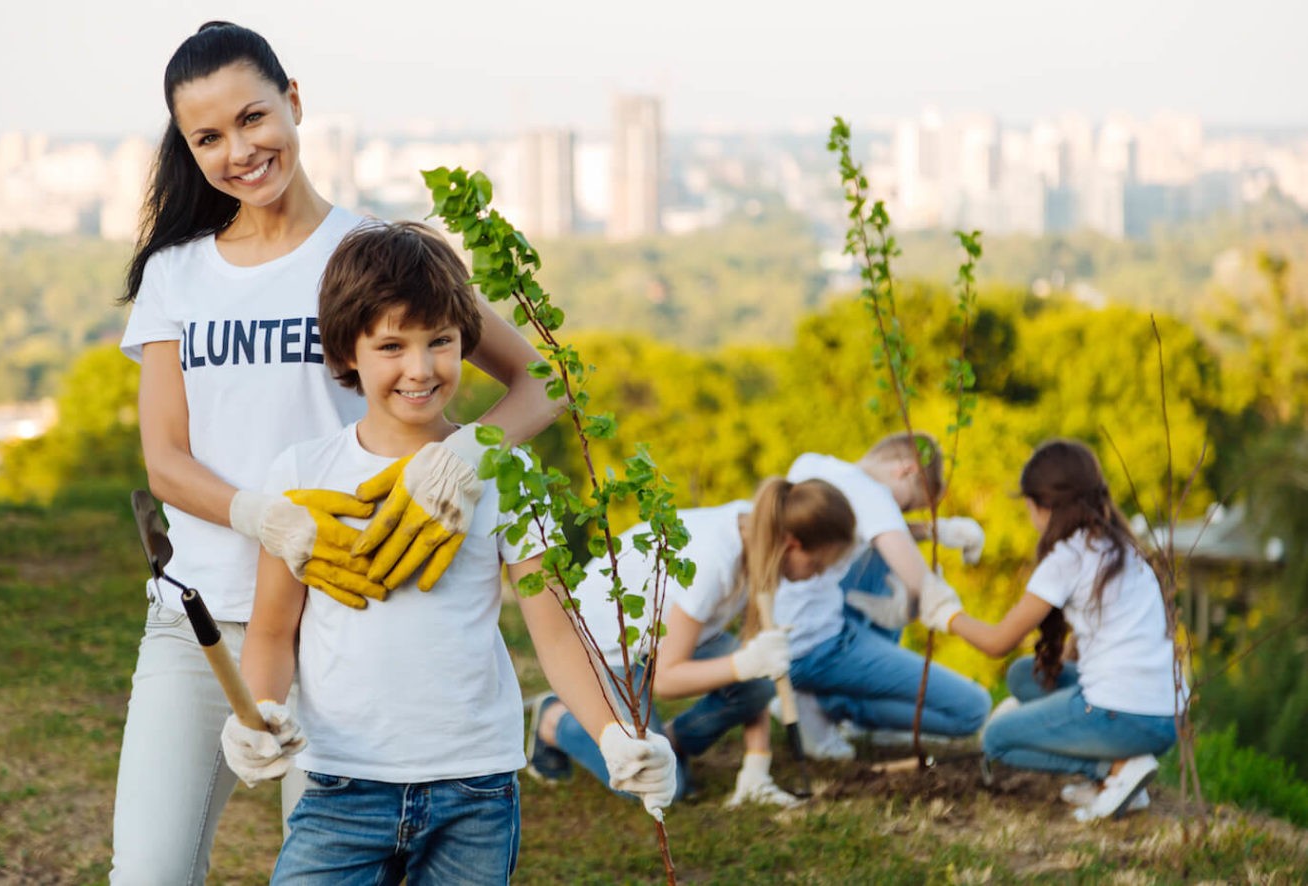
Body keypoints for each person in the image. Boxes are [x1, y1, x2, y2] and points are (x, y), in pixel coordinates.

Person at [113, 23, 559, 884]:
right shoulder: (176, 271)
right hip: (199, 623)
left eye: (253, 117)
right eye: (209, 138)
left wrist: (466, 456)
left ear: (295, 102)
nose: (240, 151)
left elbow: (544, 380)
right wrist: (262, 516)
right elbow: (164, 459)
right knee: (148, 873)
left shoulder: (371, 254)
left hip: (344, 621)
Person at [220, 220, 675, 882]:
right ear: (347, 352)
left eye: (441, 341)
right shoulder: (302, 472)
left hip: (475, 792)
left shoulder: (505, 476)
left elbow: (555, 635)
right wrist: (258, 712)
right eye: (391, 346)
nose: (421, 368)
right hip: (343, 786)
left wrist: (615, 734)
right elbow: (271, 632)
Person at [527, 477, 857, 806]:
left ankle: (667, 745)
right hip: (610, 647)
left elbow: (757, 660)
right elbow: (667, 681)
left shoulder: (762, 532)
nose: (817, 575)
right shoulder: (714, 561)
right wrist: (744, 664)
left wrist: (757, 766)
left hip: (665, 638)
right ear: (792, 543)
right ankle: (555, 721)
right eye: (816, 564)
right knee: (657, 789)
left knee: (759, 683)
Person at [918, 439, 1185, 822]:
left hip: (1123, 715)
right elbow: (1092, 634)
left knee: (997, 740)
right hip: (1165, 717)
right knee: (1024, 676)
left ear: (1043, 506)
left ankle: (1115, 771)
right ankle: (1121, 769)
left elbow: (998, 642)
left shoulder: (1068, 558)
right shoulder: (1122, 547)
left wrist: (946, 614)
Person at [778, 433, 992, 752]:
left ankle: (821, 698)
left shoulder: (811, 464)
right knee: (972, 710)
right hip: (816, 650)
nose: (899, 513)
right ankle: (835, 706)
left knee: (878, 554)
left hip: (777, 637)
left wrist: (936, 531)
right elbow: (923, 585)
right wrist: (966, 623)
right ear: (906, 470)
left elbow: (872, 528)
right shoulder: (874, 496)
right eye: (906, 506)